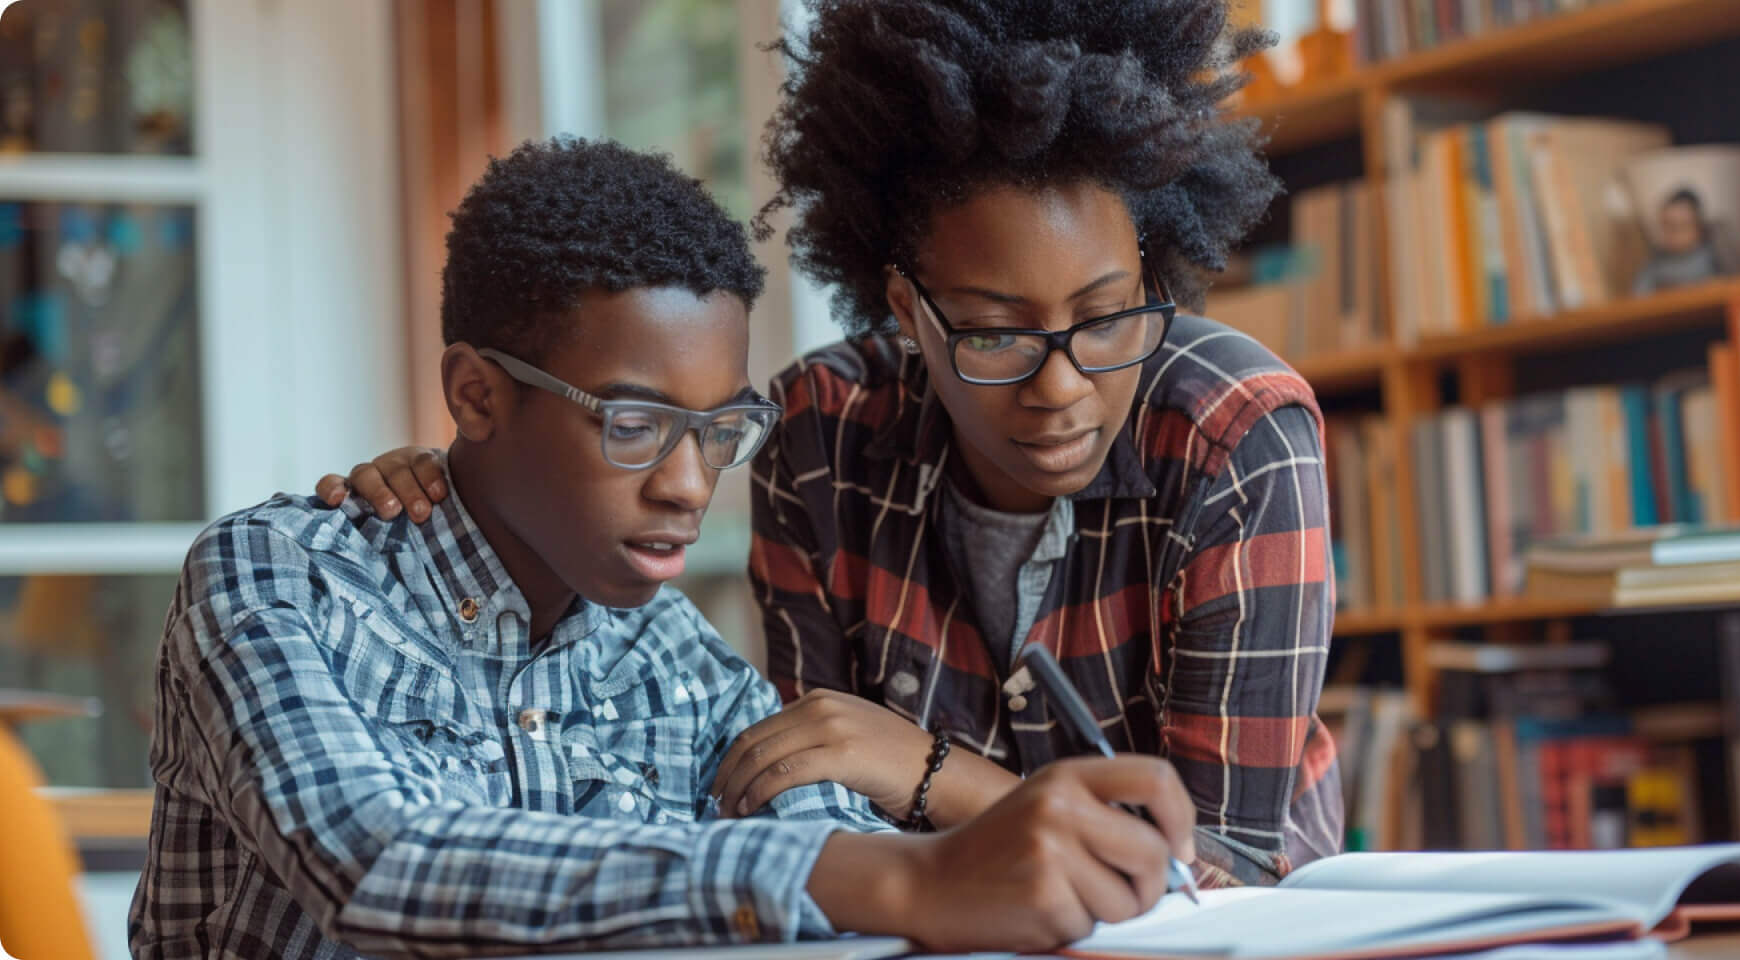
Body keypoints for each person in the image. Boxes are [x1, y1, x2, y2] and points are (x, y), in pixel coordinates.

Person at [321, 0, 1342, 888]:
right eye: (994, 332)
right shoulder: (824, 432)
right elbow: (809, 789)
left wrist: (928, 768)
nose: (1064, 385)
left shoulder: (1236, 435)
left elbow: (1224, 867)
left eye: (1109, 316)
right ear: (906, 308)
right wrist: (457, 490)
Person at [136, 138, 1196, 960]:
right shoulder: (282, 577)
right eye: (634, 426)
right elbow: (371, 862)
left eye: (721, 431)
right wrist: (899, 881)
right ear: (475, 395)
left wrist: (950, 864)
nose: (691, 486)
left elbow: (827, 837)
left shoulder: (670, 653)